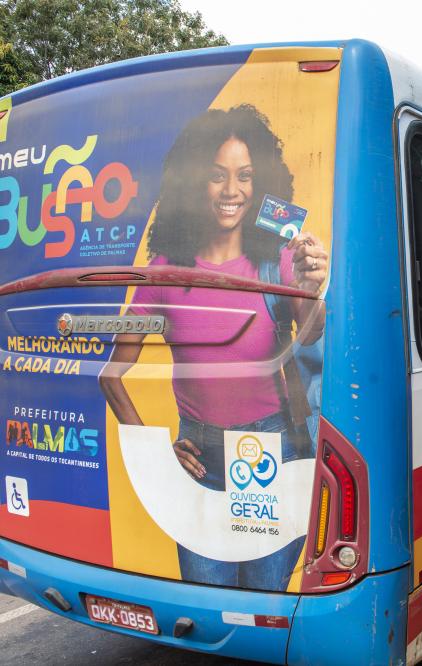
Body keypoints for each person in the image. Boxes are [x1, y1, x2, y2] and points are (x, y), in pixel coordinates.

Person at [99, 105, 329, 592]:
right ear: (192, 184)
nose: (232, 191)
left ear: (260, 181)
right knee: (209, 598)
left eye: (245, 176)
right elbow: (110, 375)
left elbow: (309, 335)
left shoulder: (280, 260)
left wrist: (312, 287)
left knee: (263, 600)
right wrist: (158, 454)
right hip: (198, 458)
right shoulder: (161, 272)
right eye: (216, 176)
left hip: (274, 450)